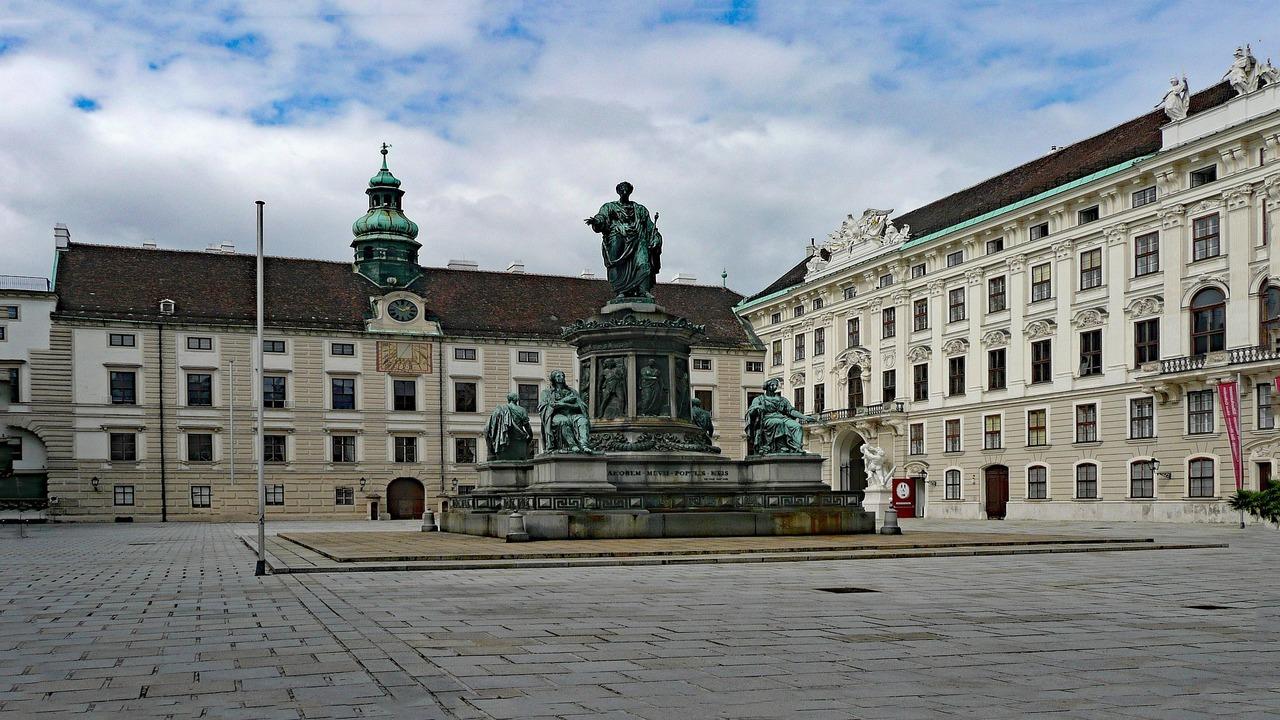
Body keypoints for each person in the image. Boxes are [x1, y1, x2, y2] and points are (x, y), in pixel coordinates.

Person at [585, 181, 663, 299]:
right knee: (618, 265)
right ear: (618, 191)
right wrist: (597, 221)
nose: (624, 191)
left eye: (627, 189)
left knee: (643, 262)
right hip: (618, 239)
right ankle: (621, 291)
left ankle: (644, 290)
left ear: (630, 191)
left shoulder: (640, 209)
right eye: (622, 189)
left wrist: (656, 238)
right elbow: (602, 217)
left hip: (638, 240)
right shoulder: (609, 207)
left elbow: (650, 227)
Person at [744, 378, 815, 455]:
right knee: (779, 423)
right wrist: (757, 408)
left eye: (776, 385)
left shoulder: (782, 400)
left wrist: (805, 417)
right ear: (767, 386)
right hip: (767, 418)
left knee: (797, 426)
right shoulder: (759, 399)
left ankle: (797, 448)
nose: (775, 387)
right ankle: (781, 447)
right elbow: (752, 411)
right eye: (773, 385)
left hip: (782, 417)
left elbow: (791, 411)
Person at [538, 370, 594, 453]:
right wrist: (564, 401)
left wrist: (564, 404)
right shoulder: (546, 393)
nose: (561, 377)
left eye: (563, 376)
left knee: (583, 420)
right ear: (553, 378)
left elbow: (581, 405)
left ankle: (584, 445)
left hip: (572, 414)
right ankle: (573, 445)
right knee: (563, 421)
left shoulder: (572, 392)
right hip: (556, 415)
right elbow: (545, 407)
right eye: (558, 376)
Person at [485, 392, 534, 461]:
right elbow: (527, 425)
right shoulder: (522, 410)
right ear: (517, 400)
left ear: (508, 399)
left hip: (505, 438)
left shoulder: (501, 409)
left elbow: (493, 424)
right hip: (518, 438)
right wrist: (531, 435)